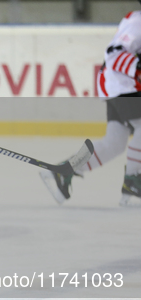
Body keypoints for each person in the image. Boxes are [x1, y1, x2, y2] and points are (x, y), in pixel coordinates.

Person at [40, 3, 141, 206]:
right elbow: (114, 53)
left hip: (120, 86)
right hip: (122, 84)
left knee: (115, 142)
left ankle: (65, 171)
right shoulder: (137, 20)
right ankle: (134, 179)